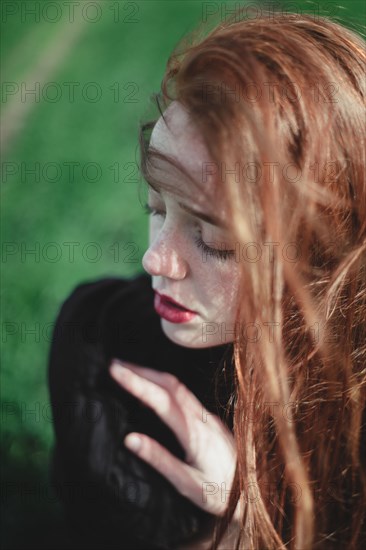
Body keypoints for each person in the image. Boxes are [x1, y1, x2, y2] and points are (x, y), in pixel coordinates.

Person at [48, 7, 366, 550]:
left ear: (327, 261)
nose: (156, 260)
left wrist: (243, 525)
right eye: (156, 206)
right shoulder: (104, 353)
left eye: (216, 243)